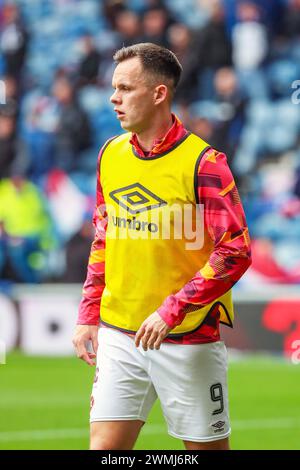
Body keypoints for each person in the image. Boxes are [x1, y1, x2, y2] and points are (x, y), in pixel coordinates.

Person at [72, 43, 251, 451]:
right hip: (119, 333)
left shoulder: (204, 163)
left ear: (158, 94)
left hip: (187, 336)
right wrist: (88, 314)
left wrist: (172, 310)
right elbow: (104, 238)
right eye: (113, 88)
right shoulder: (110, 154)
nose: (113, 99)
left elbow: (235, 250)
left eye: (125, 88)